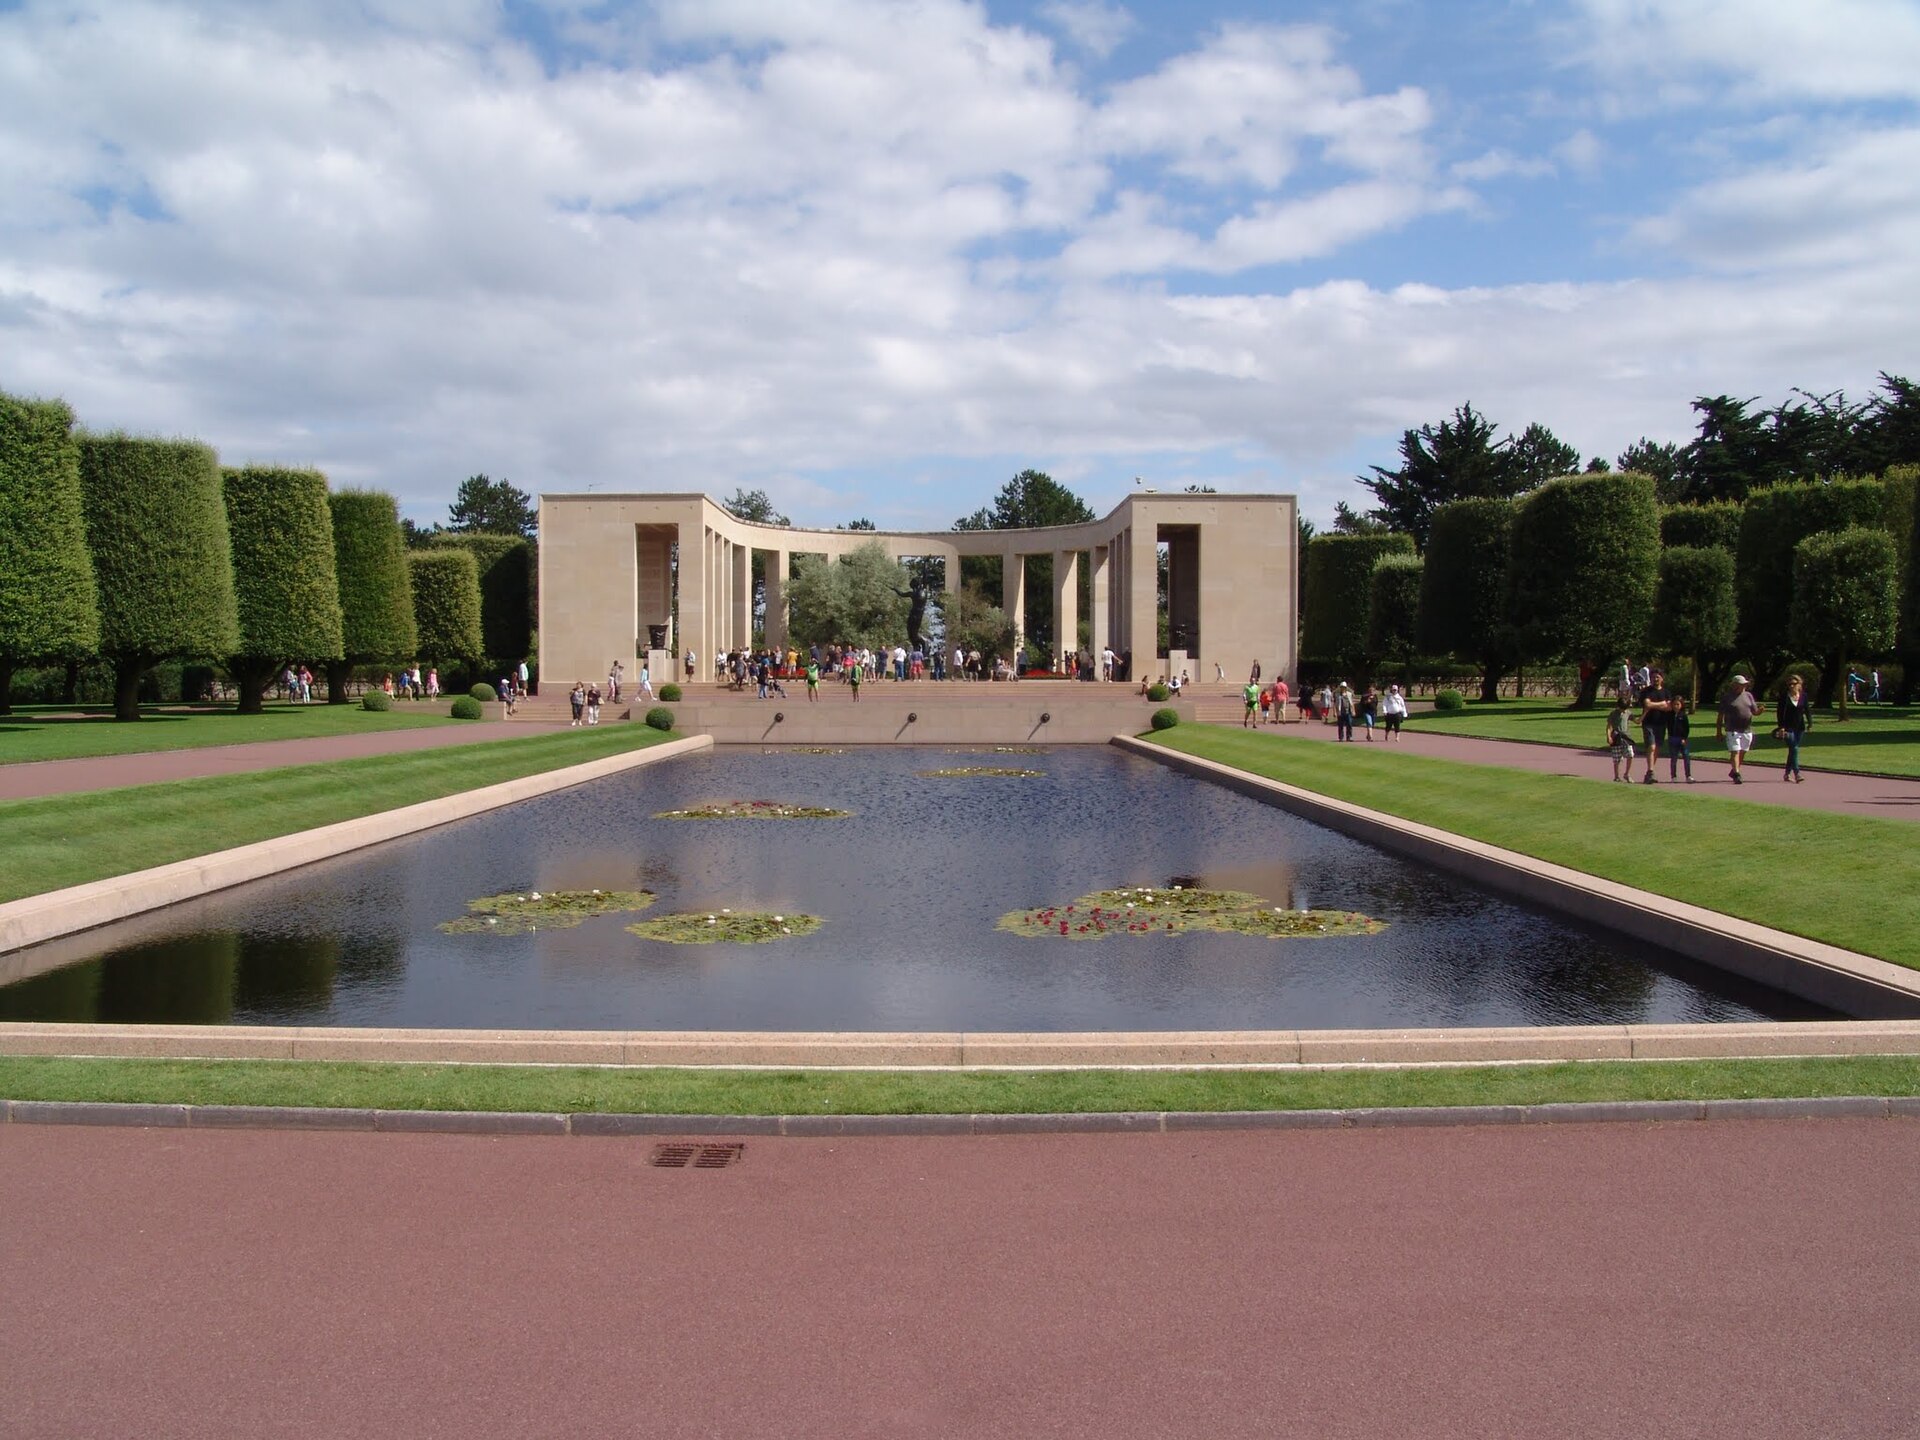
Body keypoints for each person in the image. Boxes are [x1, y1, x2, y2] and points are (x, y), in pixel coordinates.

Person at [1720, 674, 1764, 784]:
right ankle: (1737, 775)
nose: (1743, 687)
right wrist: (1718, 731)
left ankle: (1734, 770)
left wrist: (1760, 711)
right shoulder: (1727, 697)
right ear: (1734, 685)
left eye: (1744, 685)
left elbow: (1754, 712)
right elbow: (1720, 715)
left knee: (1743, 751)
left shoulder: (1748, 695)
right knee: (1735, 751)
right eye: (1741, 685)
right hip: (1732, 729)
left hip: (1746, 729)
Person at [1637, 667, 1675, 783]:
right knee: (1651, 746)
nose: (1655, 679)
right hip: (1648, 723)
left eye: (1657, 677)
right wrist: (1662, 704)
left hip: (1661, 723)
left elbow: (1669, 707)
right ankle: (1650, 771)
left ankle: (1650, 772)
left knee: (1657, 748)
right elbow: (1646, 704)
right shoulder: (1646, 691)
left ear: (1662, 678)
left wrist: (1655, 705)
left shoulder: (1666, 692)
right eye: (1653, 677)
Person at [1776, 673, 1812, 783]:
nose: (1791, 686)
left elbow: (1807, 710)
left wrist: (1810, 723)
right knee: (1795, 748)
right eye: (1789, 684)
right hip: (1787, 728)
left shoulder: (1804, 696)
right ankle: (1797, 773)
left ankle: (1787, 774)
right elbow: (1780, 713)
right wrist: (1781, 727)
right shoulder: (1784, 697)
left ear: (1799, 684)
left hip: (1800, 726)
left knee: (1793, 750)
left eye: (1793, 684)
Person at [1605, 694, 1635, 781]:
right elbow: (1609, 726)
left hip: (1626, 737)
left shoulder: (1628, 713)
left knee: (1630, 754)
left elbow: (1637, 721)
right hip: (1616, 737)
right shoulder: (1613, 714)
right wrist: (1608, 736)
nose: (1623, 711)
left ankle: (1627, 774)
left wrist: (1645, 713)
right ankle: (1617, 776)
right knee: (1617, 758)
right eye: (1622, 709)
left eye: (1625, 709)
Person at [1667, 697, 1694, 782]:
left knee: (1686, 757)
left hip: (1682, 739)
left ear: (1681, 705)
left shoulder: (1683, 715)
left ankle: (1688, 776)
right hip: (1672, 738)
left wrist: (1684, 738)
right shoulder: (1669, 715)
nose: (1676, 706)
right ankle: (1673, 776)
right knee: (1674, 758)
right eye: (1674, 704)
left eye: (1678, 704)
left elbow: (1687, 728)